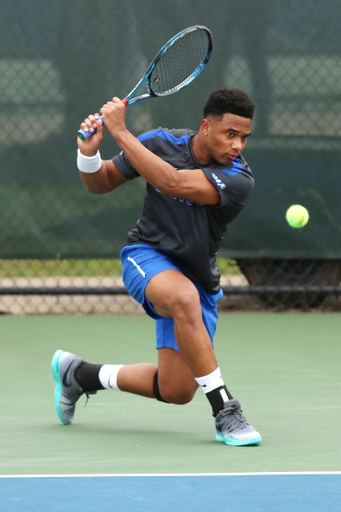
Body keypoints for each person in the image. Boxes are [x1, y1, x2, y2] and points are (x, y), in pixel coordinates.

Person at [51, 88, 262, 446]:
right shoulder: (159, 143)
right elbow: (101, 182)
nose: (238, 145)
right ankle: (226, 410)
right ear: (206, 127)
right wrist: (88, 155)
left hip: (196, 281)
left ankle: (80, 374)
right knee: (182, 298)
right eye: (231, 134)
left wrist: (121, 132)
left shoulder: (239, 178)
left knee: (177, 389)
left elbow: (172, 181)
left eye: (244, 137)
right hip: (145, 256)